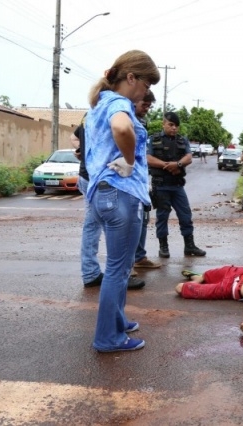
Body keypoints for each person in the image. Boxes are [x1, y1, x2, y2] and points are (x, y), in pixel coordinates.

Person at [83, 49, 160, 352]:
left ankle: (117, 322)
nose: (146, 91)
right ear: (131, 78)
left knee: (119, 266)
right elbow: (121, 128)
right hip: (122, 193)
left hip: (104, 193)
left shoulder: (100, 103)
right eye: (146, 84)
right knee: (118, 269)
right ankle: (108, 338)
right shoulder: (118, 103)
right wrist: (129, 159)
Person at [71, 118, 146, 291]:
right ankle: (118, 275)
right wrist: (130, 161)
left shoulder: (90, 115)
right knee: (112, 225)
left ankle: (93, 272)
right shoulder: (114, 113)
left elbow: (73, 137)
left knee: (93, 225)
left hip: (89, 176)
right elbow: (120, 133)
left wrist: (81, 150)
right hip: (100, 179)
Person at [147, 111, 206, 258]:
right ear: (164, 123)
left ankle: (189, 246)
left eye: (176, 126)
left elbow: (188, 157)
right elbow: (148, 158)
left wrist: (177, 164)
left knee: (185, 215)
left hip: (177, 186)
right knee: (162, 217)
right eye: (171, 125)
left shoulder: (182, 140)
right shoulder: (153, 139)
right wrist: (167, 165)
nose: (174, 128)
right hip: (160, 186)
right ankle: (163, 247)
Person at [174, 267, 243, 335]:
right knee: (206, 275)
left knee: (180, 288)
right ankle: (198, 278)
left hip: (230, 287)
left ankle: (196, 280)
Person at [132, 91, 161, 271]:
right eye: (145, 105)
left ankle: (139, 257)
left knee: (143, 220)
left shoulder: (142, 122)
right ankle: (126, 267)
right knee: (129, 224)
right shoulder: (123, 118)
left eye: (149, 106)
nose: (147, 109)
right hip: (129, 181)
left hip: (142, 180)